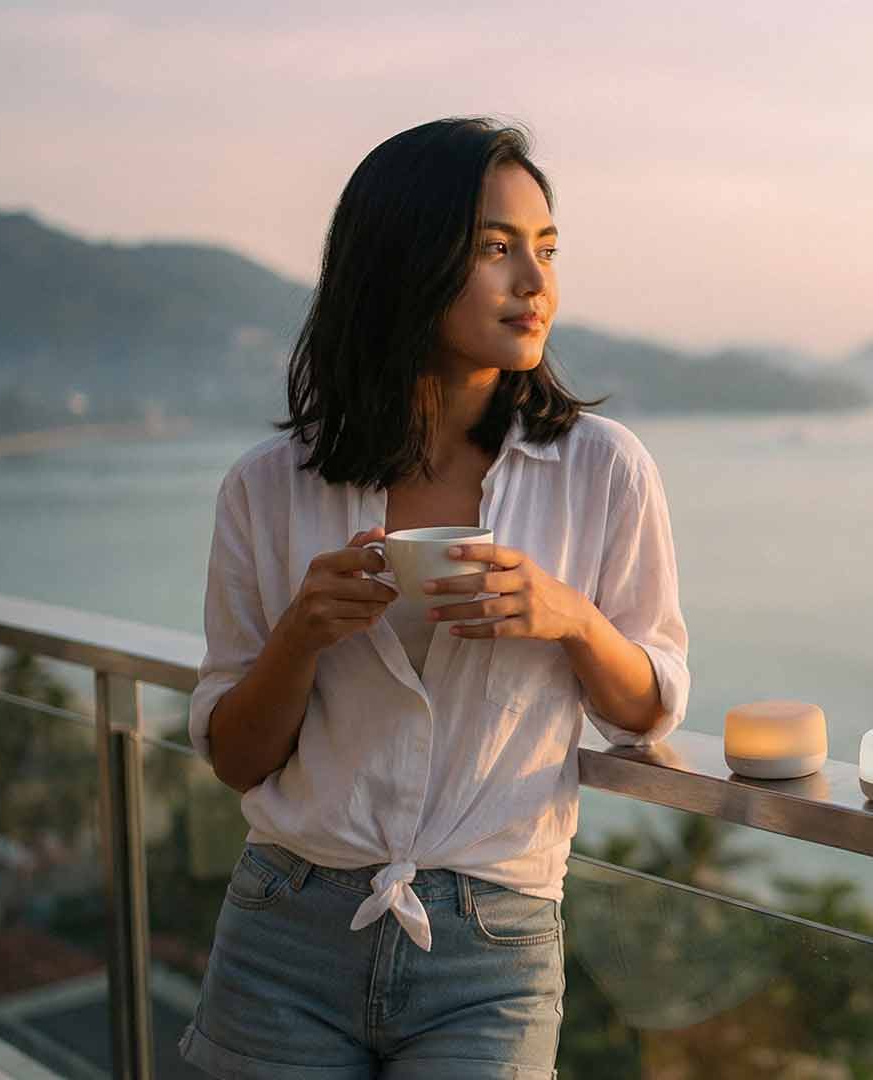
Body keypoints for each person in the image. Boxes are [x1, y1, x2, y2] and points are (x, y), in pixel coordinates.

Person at [176, 117, 690, 1078]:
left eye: (545, 249)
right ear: (403, 262)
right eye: (496, 250)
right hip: (283, 931)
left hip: (492, 952)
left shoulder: (603, 473)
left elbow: (647, 708)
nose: (535, 285)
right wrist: (301, 634)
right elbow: (240, 759)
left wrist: (569, 618)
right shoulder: (268, 487)